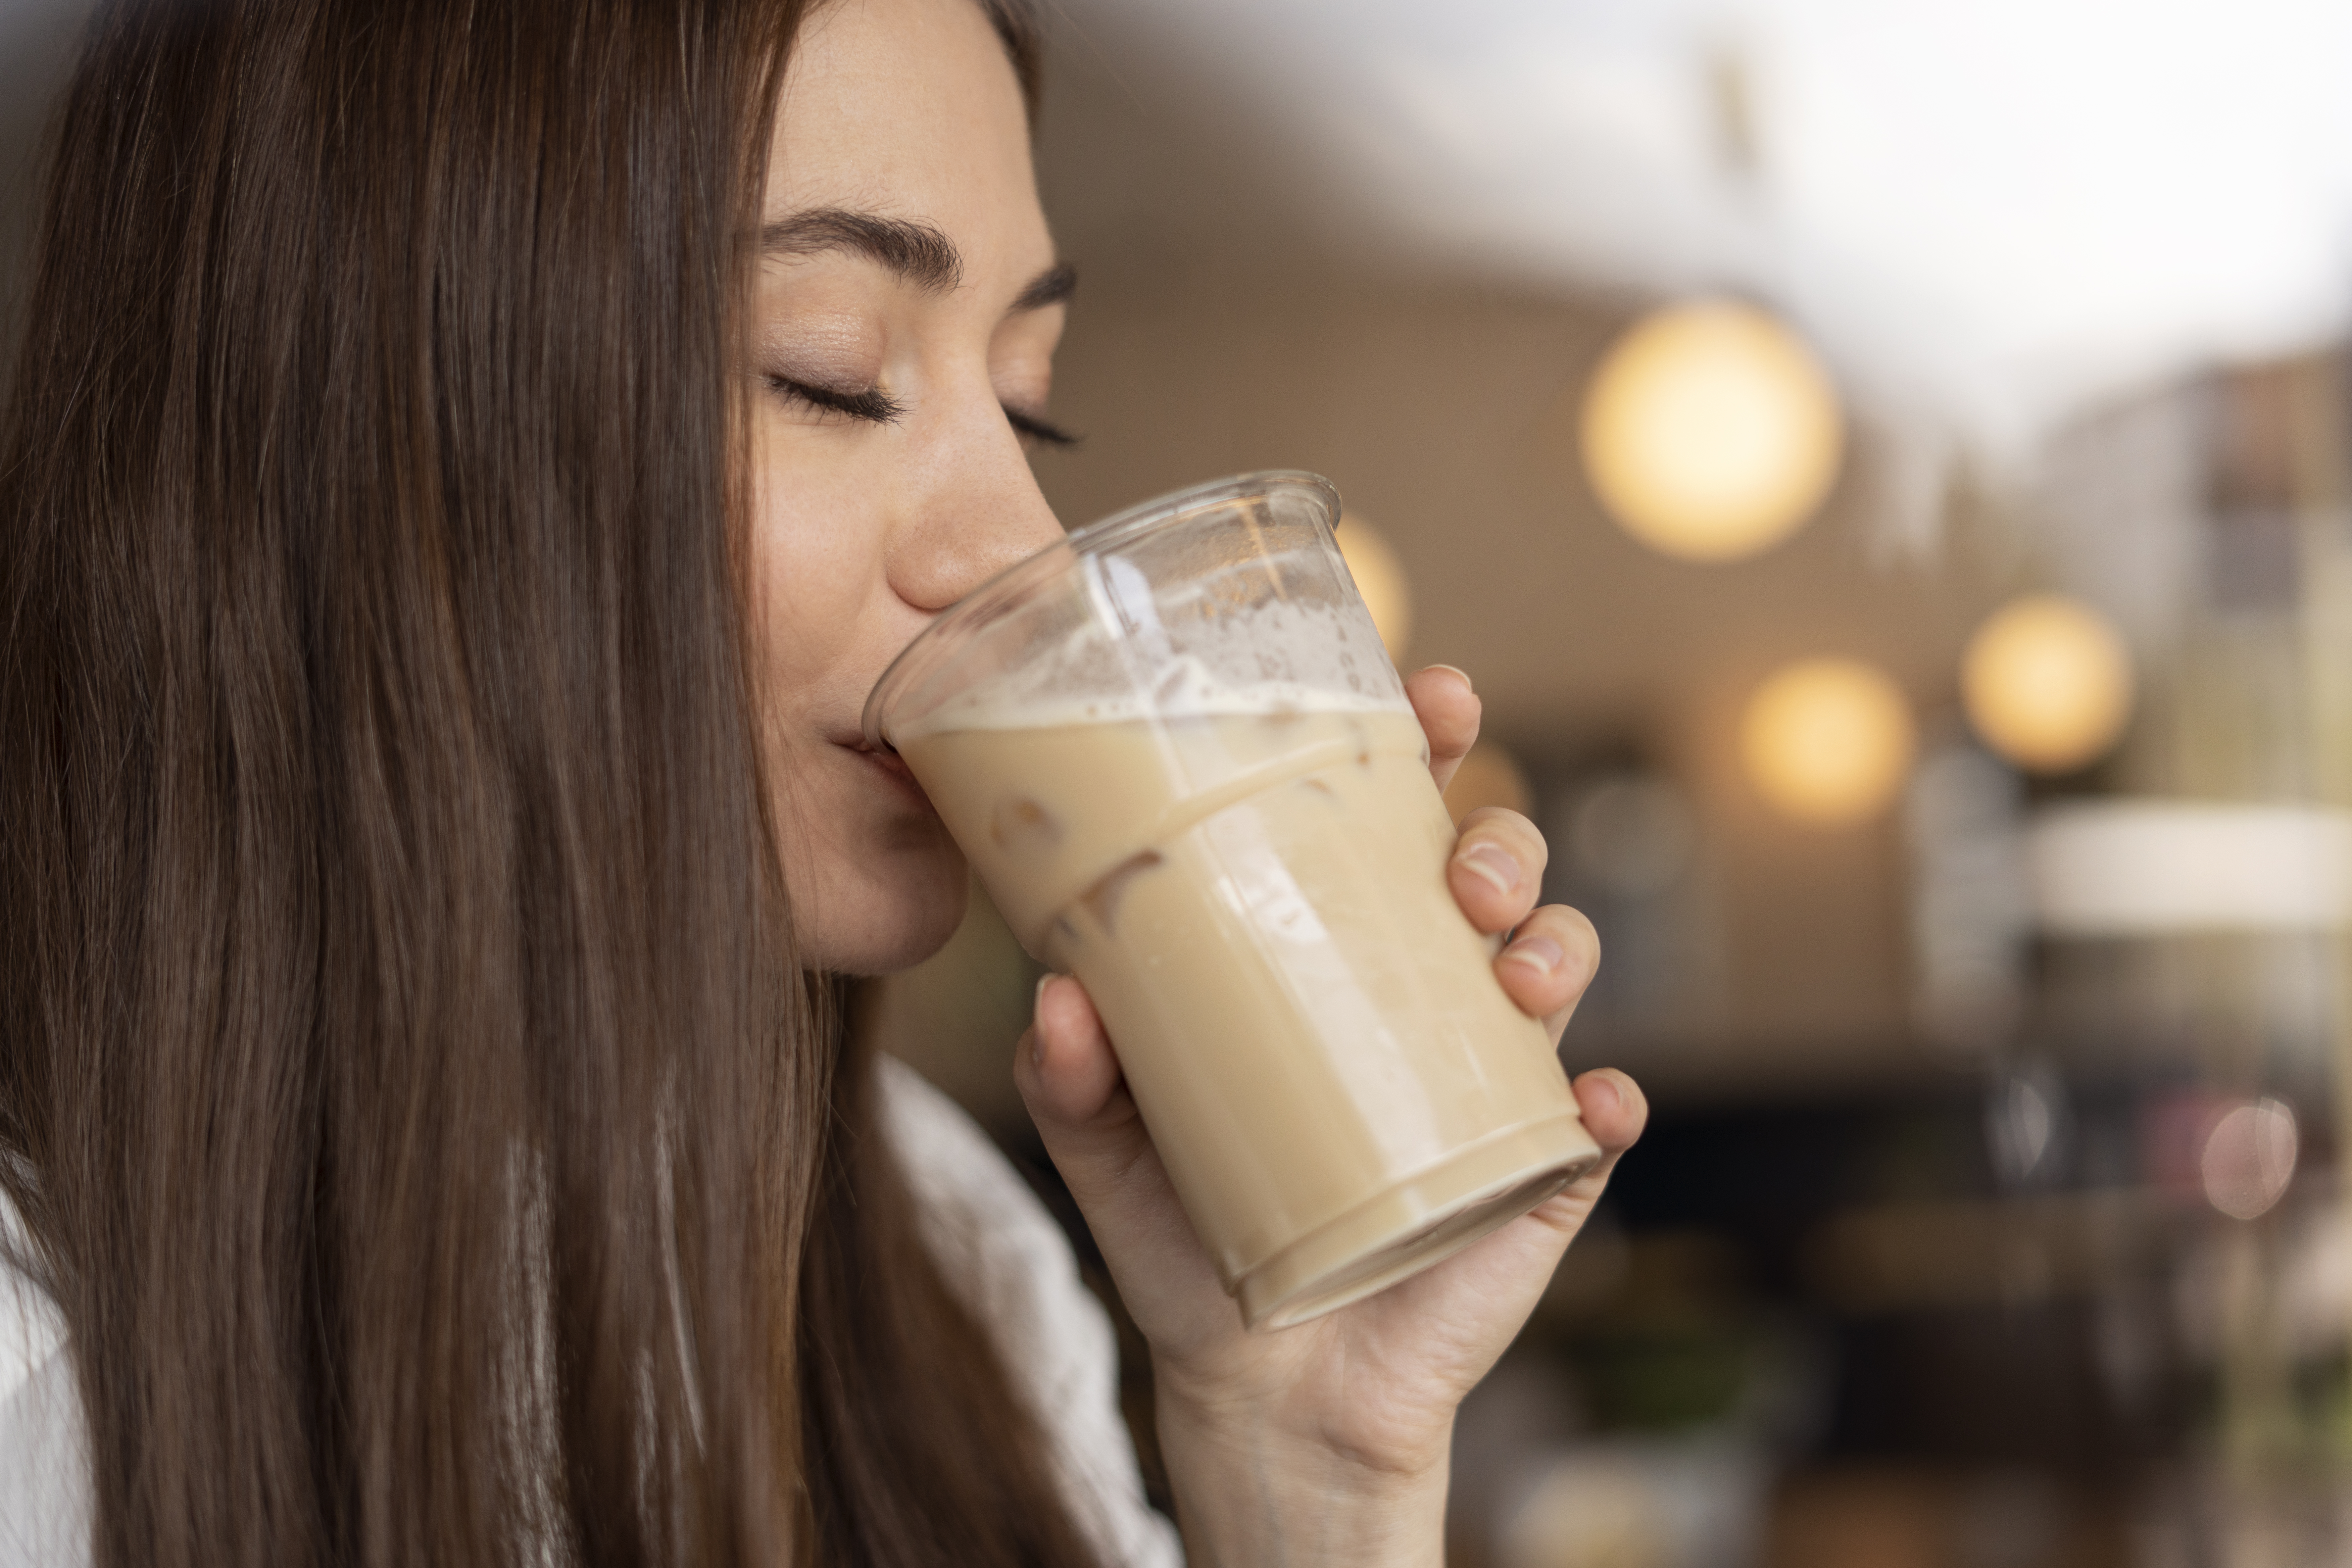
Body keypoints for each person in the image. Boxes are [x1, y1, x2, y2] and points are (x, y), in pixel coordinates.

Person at [0, 0, 1647, 1562]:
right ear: (360, 433)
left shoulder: (950, 1258)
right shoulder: (41, 1379)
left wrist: (1309, 1469)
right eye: (829, 370)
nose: (1021, 552)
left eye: (1029, 407)